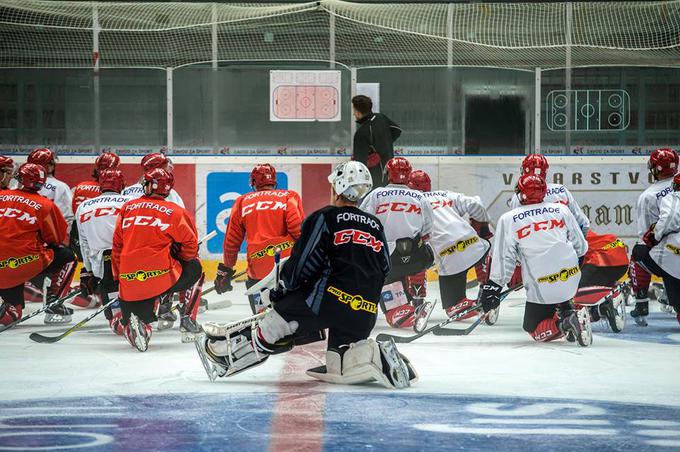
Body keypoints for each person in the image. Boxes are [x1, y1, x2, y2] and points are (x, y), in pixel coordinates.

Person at [196, 161, 417, 389]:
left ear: (338, 188)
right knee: (338, 362)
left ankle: (222, 353)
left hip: (324, 303)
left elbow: (302, 264)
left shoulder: (325, 217)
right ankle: (373, 354)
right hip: (364, 314)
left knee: (275, 323)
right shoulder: (375, 225)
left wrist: (282, 292)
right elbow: (384, 269)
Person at [479, 174, 591, 346]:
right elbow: (581, 247)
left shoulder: (509, 219)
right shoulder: (561, 210)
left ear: (521, 194)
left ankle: (565, 324)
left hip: (543, 284)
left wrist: (493, 288)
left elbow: (504, 257)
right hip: (571, 279)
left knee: (532, 326)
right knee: (559, 273)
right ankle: (568, 310)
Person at [112, 168, 203, 351]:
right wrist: (180, 257)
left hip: (129, 282)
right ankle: (187, 318)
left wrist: (119, 279)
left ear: (150, 186)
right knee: (195, 267)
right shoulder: (176, 212)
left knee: (137, 316)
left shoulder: (127, 208)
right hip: (160, 277)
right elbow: (191, 245)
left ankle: (138, 325)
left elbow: (117, 247)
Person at [214, 164, 305, 314]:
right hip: (287, 267)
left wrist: (226, 270)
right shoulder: (290, 196)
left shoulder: (242, 201)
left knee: (262, 320)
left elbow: (232, 242)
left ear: (254, 183)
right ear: (274, 182)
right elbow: (298, 231)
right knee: (293, 317)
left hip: (258, 271)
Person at [360, 157, 434, 328]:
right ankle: (415, 296)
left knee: (380, 270)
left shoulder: (376, 195)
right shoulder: (419, 197)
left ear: (387, 174)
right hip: (417, 258)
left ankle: (399, 309)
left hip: (385, 260)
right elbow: (427, 231)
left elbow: (362, 223)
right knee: (417, 253)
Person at [408, 169, 492, 320]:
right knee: (485, 244)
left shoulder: (412, 201)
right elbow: (475, 203)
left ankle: (418, 302)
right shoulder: (445, 195)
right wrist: (482, 227)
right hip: (473, 244)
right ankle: (486, 288)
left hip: (448, 255)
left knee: (415, 256)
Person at [0, 163, 76, 326]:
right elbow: (56, 238)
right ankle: (54, 303)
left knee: (14, 313)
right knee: (68, 256)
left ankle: (8, 309)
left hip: (1, 268)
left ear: (20, 179)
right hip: (26, 262)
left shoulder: (2, 195)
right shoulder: (45, 205)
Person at [75, 169, 133, 335]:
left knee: (118, 325)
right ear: (121, 184)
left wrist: (88, 271)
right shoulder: (130, 202)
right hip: (130, 262)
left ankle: (120, 314)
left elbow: (84, 243)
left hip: (102, 267)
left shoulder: (83, 206)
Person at [629, 148, 678, 326]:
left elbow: (645, 237)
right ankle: (669, 290)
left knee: (638, 251)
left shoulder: (648, 196)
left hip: (671, 254)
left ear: (655, 169)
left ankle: (641, 302)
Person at [70, 152, 121, 309]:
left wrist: (87, 269)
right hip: (113, 251)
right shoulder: (123, 198)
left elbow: (75, 217)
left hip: (81, 236)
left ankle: (97, 292)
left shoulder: (80, 187)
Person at [510, 154, 590, 235]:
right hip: (563, 244)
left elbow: (515, 230)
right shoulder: (561, 190)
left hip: (532, 244)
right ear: (545, 171)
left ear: (525, 170)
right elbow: (584, 224)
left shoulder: (518, 197)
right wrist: (576, 245)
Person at [351, 95, 402, 188]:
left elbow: (359, 165)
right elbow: (397, 130)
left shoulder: (361, 133)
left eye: (354, 111)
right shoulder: (381, 117)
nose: (353, 114)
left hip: (374, 180)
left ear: (358, 112)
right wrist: (386, 145)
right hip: (390, 174)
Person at [27, 148, 74, 227]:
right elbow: (68, 214)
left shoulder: (19, 182)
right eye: (50, 163)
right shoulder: (60, 186)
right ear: (49, 166)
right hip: (49, 230)